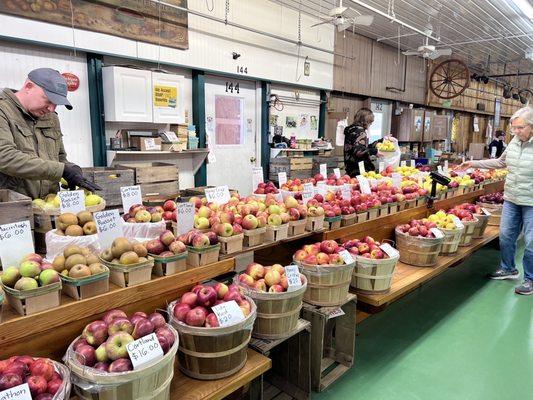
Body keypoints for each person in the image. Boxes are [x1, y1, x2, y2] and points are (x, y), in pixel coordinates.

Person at [461, 106, 533, 295]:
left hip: (532, 201)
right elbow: (501, 162)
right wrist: (474, 163)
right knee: (506, 236)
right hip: (512, 198)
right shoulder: (514, 143)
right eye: (514, 128)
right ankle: (508, 268)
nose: (516, 132)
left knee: (531, 242)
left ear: (531, 126)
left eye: (520, 128)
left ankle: (530, 279)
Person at [0, 68, 99, 199]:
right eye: (48, 100)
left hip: (50, 205)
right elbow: (5, 157)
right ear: (29, 87)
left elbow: (59, 157)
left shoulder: (51, 118)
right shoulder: (3, 111)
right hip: (14, 206)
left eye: (55, 104)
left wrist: (72, 169)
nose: (51, 108)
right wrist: (61, 170)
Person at [343, 108, 397, 176]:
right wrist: (375, 151)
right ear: (365, 121)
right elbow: (359, 151)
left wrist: (381, 140)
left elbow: (363, 147)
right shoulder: (359, 131)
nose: (370, 124)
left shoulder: (352, 130)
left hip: (350, 168)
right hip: (358, 170)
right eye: (370, 122)